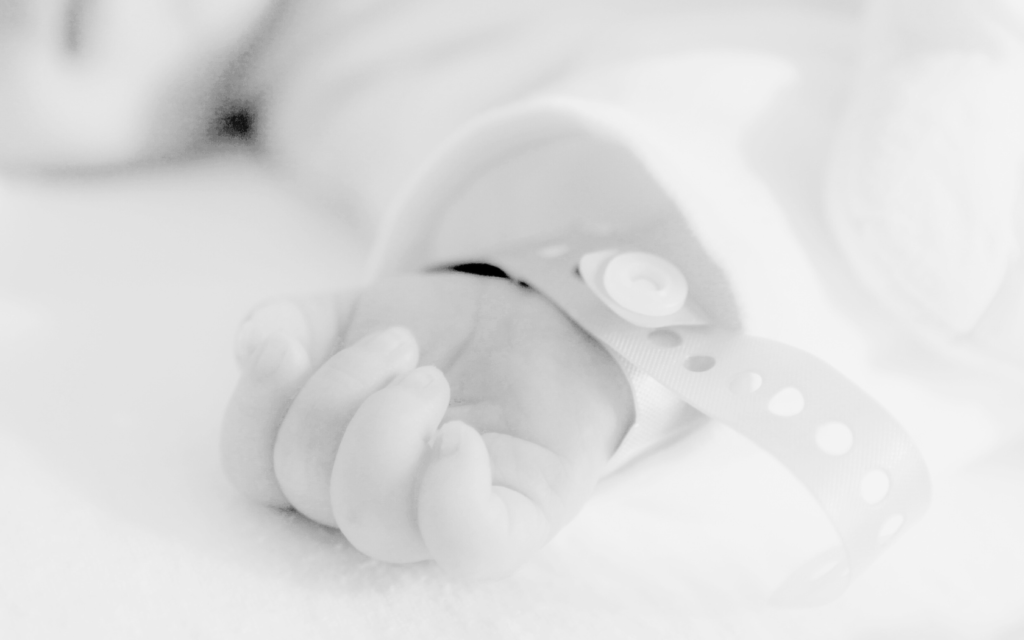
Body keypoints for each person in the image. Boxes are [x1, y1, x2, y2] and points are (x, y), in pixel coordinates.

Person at [2, 0, 1018, 588]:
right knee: (912, 241)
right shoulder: (340, 77)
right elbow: (681, 159)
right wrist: (574, 303)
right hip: (862, 104)